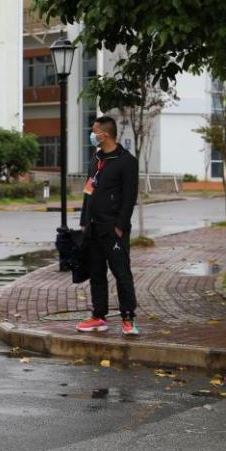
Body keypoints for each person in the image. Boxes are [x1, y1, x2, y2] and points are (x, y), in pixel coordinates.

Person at [77, 116, 141, 337]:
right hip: (93, 227)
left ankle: (128, 318)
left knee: (121, 273)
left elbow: (129, 197)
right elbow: (89, 190)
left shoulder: (127, 161)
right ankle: (99, 316)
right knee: (96, 273)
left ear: (105, 135)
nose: (92, 134)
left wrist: (120, 226)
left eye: (94, 131)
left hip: (113, 229)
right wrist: (84, 221)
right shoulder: (96, 158)